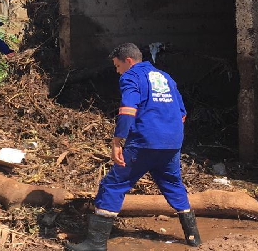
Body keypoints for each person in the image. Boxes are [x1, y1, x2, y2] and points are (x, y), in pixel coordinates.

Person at [65, 43, 201, 251]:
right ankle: (193, 238)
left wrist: (117, 140)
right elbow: (182, 114)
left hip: (145, 142)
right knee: (173, 184)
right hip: (172, 142)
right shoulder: (165, 77)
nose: (117, 71)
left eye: (117, 66)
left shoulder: (131, 77)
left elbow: (128, 110)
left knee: (112, 185)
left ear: (128, 61)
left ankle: (95, 244)